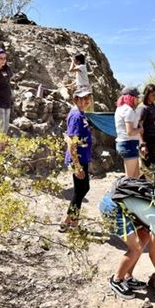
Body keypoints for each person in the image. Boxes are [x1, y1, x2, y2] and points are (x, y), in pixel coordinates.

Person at [59, 89, 93, 232]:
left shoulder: (81, 114)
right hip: (77, 159)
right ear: (76, 99)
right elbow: (71, 142)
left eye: (88, 98)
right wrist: (77, 165)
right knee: (80, 190)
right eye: (83, 98)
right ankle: (69, 222)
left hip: (82, 157)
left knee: (83, 188)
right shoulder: (75, 116)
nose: (86, 101)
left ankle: (71, 221)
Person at [115, 87, 143, 178]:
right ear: (132, 98)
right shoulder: (128, 110)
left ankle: (133, 192)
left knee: (136, 176)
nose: (138, 100)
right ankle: (122, 192)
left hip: (126, 143)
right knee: (130, 178)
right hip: (129, 144)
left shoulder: (120, 109)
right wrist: (141, 129)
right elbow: (130, 132)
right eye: (137, 98)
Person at [136, 84, 155, 169]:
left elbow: (152, 120)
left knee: (153, 163)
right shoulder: (142, 108)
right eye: (153, 95)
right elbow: (139, 126)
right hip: (147, 139)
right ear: (147, 94)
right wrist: (143, 144)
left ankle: (153, 181)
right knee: (148, 165)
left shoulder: (152, 106)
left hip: (154, 137)